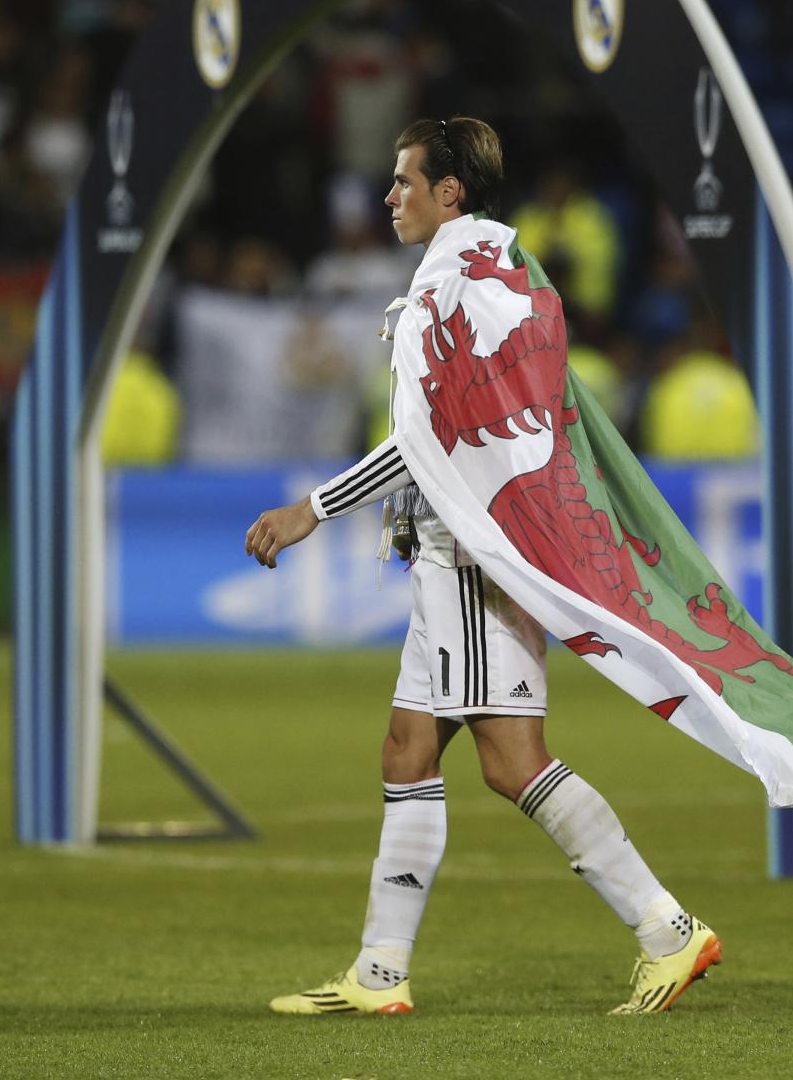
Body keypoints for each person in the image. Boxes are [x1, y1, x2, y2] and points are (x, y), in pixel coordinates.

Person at [246, 116, 722, 1017]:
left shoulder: (449, 287)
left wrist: (310, 508)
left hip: (469, 556)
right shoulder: (500, 268)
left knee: (512, 761)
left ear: (448, 191)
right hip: (454, 549)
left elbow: (428, 445)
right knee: (407, 748)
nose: (391, 196)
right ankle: (380, 973)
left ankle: (667, 927)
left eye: (403, 180)